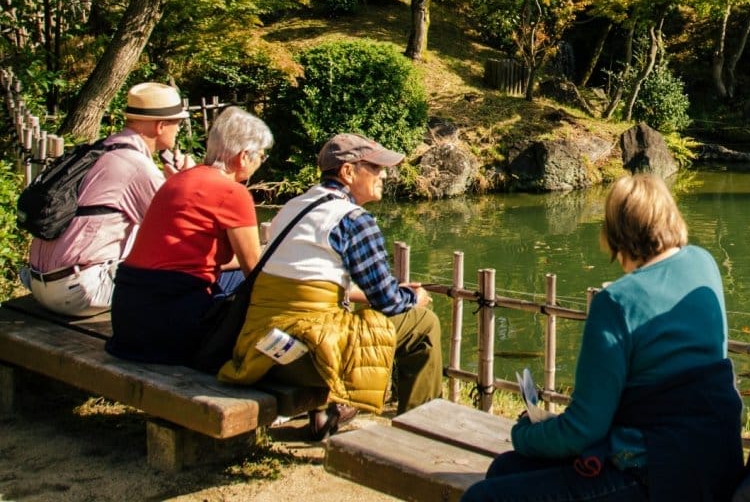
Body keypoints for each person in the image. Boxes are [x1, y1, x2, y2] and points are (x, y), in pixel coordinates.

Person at [463, 173, 743, 502]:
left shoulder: (617, 302)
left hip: (655, 474)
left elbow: (584, 429)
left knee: (483, 498)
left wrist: (525, 432)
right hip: (716, 461)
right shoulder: (703, 262)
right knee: (507, 469)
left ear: (615, 231)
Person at [218, 133, 442, 440]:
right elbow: (388, 301)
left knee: (337, 320)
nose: (384, 175)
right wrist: (414, 298)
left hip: (260, 350)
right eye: (375, 168)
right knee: (423, 324)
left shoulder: (294, 206)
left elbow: (308, 283)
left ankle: (330, 414)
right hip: (304, 357)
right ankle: (419, 433)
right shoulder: (352, 219)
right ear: (348, 172)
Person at [106, 106, 268, 364]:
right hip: (171, 327)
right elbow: (255, 272)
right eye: (261, 155)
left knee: (232, 277)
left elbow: (190, 257)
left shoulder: (178, 180)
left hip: (129, 318)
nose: (261, 161)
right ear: (244, 156)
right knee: (260, 289)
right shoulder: (233, 193)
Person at [21, 82, 194, 316]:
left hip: (38, 282)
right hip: (79, 292)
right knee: (180, 273)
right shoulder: (137, 167)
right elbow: (181, 230)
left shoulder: (102, 150)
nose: (179, 129)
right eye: (178, 123)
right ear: (161, 125)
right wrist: (186, 181)